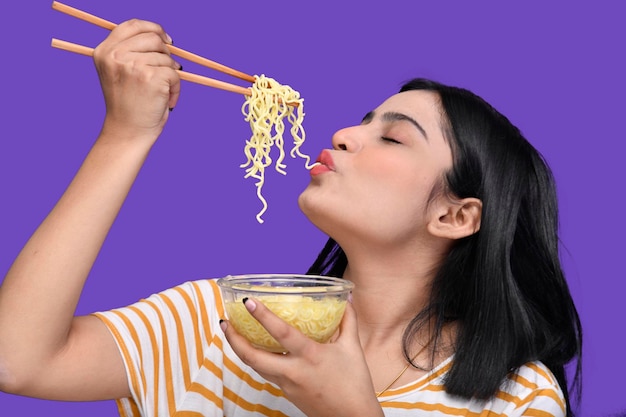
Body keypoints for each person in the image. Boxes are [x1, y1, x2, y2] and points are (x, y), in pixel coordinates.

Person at [0, 19, 582, 417]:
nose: (345, 135)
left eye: (394, 138)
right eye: (364, 118)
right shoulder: (222, 321)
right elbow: (16, 360)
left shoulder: (518, 397)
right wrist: (125, 135)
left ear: (456, 215)